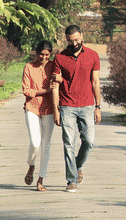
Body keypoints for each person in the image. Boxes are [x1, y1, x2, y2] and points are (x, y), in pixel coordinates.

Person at [51, 25, 102, 193]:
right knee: (68, 143)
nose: (74, 43)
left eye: (77, 40)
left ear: (82, 36)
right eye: (71, 41)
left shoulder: (93, 55)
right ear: (66, 39)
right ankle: (71, 180)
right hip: (67, 106)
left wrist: (98, 106)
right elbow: (55, 85)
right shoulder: (60, 58)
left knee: (89, 141)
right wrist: (56, 110)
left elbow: (95, 82)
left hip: (87, 105)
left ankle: (77, 165)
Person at [22, 40, 56, 191]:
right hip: (32, 107)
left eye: (47, 55)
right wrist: (44, 90)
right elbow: (26, 91)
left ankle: (41, 179)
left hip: (49, 109)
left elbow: (58, 84)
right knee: (35, 143)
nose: (44, 58)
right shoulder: (29, 67)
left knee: (46, 145)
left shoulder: (53, 66)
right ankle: (31, 164)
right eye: (41, 54)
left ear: (51, 55)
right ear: (37, 53)